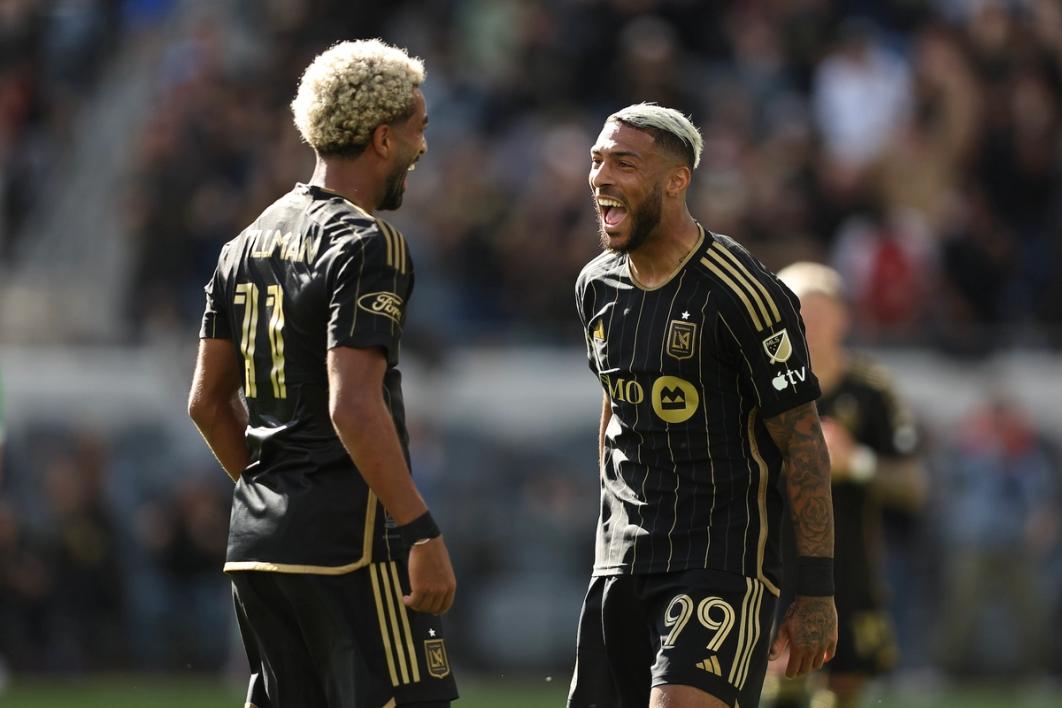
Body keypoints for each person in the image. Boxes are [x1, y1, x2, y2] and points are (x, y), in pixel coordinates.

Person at [188, 39, 458, 708]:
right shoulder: (368, 243)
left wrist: (276, 495)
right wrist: (418, 529)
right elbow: (352, 406)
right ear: (382, 137)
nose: (424, 149)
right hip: (352, 547)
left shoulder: (243, 243)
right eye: (419, 130)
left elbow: (206, 403)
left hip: (257, 547)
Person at [568, 103, 837, 708]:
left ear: (675, 180)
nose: (601, 177)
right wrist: (607, 536)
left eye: (624, 163)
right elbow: (615, 410)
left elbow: (802, 440)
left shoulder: (744, 293)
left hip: (719, 559)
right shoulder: (595, 286)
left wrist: (815, 589)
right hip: (621, 561)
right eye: (597, 160)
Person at [767, 262, 926, 708]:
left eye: (820, 313)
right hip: (770, 571)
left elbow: (914, 486)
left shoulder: (872, 391)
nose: (808, 326)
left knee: (844, 694)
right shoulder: (755, 387)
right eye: (797, 313)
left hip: (851, 575)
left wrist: (855, 462)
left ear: (844, 318)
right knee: (775, 690)